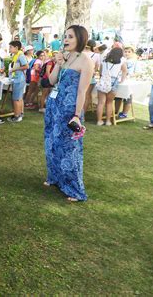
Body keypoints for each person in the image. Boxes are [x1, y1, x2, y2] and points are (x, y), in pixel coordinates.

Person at [44, 25, 94, 202]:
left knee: (69, 150)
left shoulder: (86, 61)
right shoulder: (66, 57)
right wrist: (58, 63)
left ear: (80, 39)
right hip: (53, 106)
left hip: (69, 110)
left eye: (70, 37)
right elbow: (51, 81)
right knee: (51, 144)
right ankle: (56, 178)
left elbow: (82, 92)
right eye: (65, 36)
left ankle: (74, 190)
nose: (66, 40)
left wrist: (76, 115)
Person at [96, 47, 127, 126]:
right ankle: (108, 121)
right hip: (114, 82)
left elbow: (100, 72)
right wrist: (122, 80)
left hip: (103, 80)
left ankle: (99, 121)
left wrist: (102, 78)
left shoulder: (104, 60)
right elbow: (124, 71)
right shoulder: (122, 60)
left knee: (101, 103)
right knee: (109, 103)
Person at [7, 40, 29, 122]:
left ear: (16, 47)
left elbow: (26, 66)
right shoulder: (16, 55)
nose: (9, 49)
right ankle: (19, 114)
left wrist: (15, 69)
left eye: (10, 47)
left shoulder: (20, 55)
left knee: (16, 99)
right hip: (17, 79)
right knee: (18, 98)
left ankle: (17, 116)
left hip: (19, 79)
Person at [115, 45, 138, 118]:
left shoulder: (135, 62)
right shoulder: (122, 60)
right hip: (121, 80)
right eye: (125, 52)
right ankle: (116, 111)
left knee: (127, 97)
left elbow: (137, 72)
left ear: (132, 53)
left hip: (129, 82)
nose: (127, 53)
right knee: (118, 96)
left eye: (129, 52)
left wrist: (130, 74)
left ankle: (124, 113)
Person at [83, 40, 101, 112]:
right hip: (90, 76)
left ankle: (78, 113)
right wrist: (94, 71)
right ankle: (83, 114)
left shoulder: (81, 53)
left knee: (80, 94)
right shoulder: (96, 55)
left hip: (80, 75)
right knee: (87, 95)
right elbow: (97, 67)